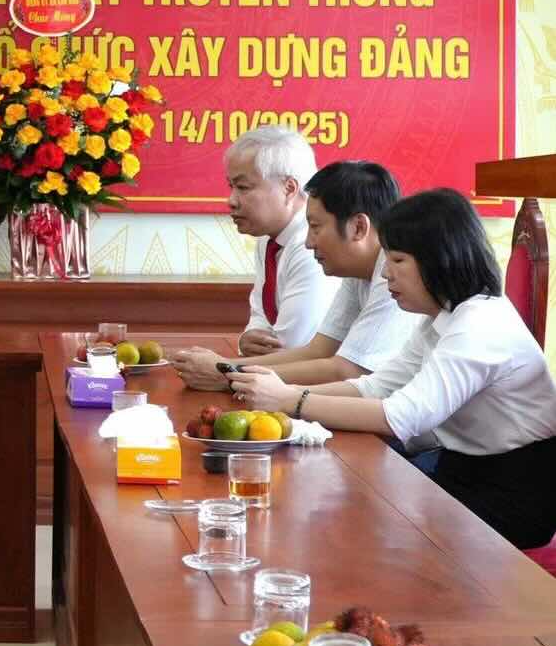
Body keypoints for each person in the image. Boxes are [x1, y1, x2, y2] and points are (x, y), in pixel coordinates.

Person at [227, 189, 556, 548]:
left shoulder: (478, 325)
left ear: (439, 260)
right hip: (459, 470)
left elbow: (399, 417)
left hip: (511, 494)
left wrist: (290, 399)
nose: (385, 273)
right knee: (335, 502)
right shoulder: (444, 315)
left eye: (397, 260)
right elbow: (376, 386)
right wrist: (276, 392)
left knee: (358, 525)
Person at [171, 161, 423, 390]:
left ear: (358, 227)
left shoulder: (396, 275)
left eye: (315, 227)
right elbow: (319, 351)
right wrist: (225, 365)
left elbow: (349, 370)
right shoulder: (358, 271)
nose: (308, 243)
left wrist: (230, 375)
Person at [220, 126, 338, 355]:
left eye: (243, 187)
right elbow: (260, 319)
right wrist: (245, 340)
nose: (231, 200)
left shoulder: (312, 246)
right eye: (231, 186)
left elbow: (288, 349)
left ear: (289, 189)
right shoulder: (269, 239)